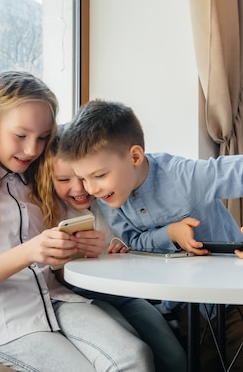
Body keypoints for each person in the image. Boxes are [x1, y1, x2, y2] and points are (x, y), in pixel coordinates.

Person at [0, 71, 154, 371]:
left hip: (58, 302)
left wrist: (82, 251)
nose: (32, 149)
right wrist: (29, 251)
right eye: (20, 136)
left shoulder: (37, 183)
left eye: (43, 138)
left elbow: (56, 274)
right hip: (2, 322)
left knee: (135, 356)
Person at [57, 99, 243, 372]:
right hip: (187, 304)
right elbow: (135, 241)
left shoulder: (184, 176)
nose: (91, 188)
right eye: (83, 178)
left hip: (237, 297)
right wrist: (171, 233)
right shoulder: (108, 197)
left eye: (100, 175)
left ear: (135, 156)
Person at [49, 123, 187, 372]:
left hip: (123, 293)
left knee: (174, 356)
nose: (81, 188)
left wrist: (121, 247)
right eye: (63, 180)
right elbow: (59, 275)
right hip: (81, 297)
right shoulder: (51, 212)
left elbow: (133, 241)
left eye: (85, 178)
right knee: (135, 345)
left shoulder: (112, 198)